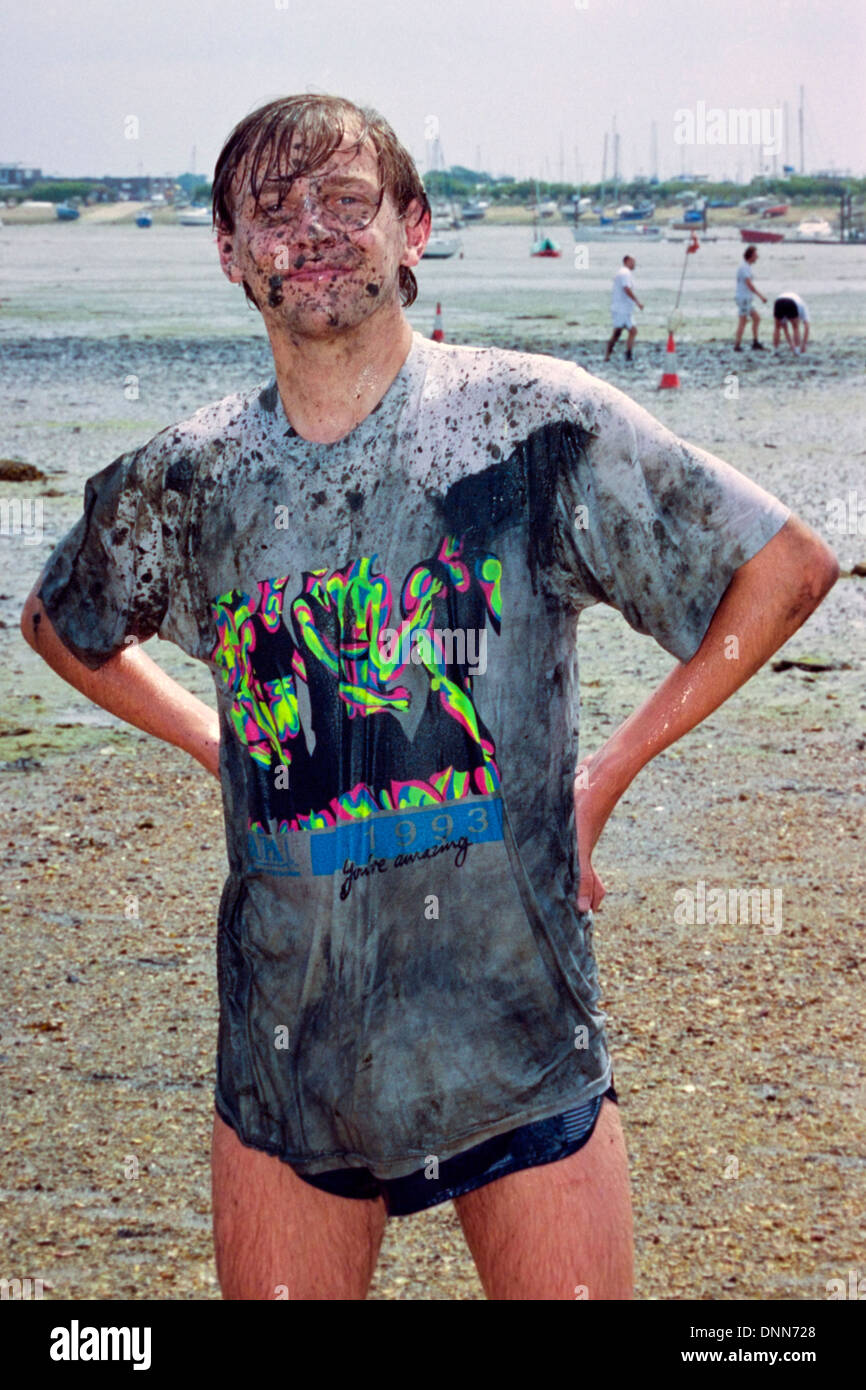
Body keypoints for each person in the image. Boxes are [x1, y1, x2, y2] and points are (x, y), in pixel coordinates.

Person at [20, 93, 838, 1302]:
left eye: (346, 200)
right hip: (284, 1070)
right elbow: (56, 621)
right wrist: (211, 741)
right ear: (231, 252)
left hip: (519, 1044)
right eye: (273, 209)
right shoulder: (192, 476)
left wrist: (600, 778)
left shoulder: (528, 425)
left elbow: (783, 568)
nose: (311, 228)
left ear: (413, 228)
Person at [604, 254, 643, 361]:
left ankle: (628, 354)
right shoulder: (625, 273)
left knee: (633, 331)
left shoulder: (625, 273)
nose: (634, 264)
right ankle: (607, 355)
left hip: (625, 310)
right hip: (620, 309)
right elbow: (626, 289)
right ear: (627, 261)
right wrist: (637, 302)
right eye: (632, 261)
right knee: (617, 333)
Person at [734, 245, 767, 351]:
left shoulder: (747, 267)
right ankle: (737, 345)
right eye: (755, 255)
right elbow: (749, 285)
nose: (757, 257)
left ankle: (755, 342)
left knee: (757, 318)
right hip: (743, 299)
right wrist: (761, 296)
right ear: (751, 256)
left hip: (747, 299)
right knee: (742, 321)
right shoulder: (744, 268)